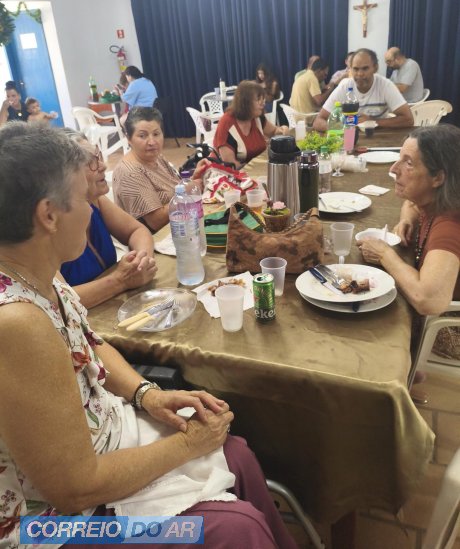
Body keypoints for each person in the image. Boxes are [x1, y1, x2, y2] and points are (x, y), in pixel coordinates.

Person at [0, 121, 297, 549]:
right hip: (51, 525)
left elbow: (90, 344)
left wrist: (147, 395)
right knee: (235, 528)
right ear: (48, 215)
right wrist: (187, 445)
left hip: (108, 440)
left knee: (238, 455)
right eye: (83, 198)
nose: (92, 210)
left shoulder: (40, 270)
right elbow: (74, 489)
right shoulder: (17, 323)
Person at [356, 124, 460, 356]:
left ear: (438, 177)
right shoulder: (438, 200)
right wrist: (407, 220)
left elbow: (428, 300)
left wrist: (384, 254)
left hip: (449, 325)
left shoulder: (449, 226)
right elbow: (410, 204)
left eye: (408, 163)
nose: (394, 169)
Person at [59, 130, 157, 309]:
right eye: (89, 162)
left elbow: (137, 230)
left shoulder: (95, 200)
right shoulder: (49, 226)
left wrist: (141, 263)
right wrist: (120, 281)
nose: (103, 166)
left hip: (117, 306)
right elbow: (58, 300)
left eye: (97, 156)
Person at [113, 107, 210, 233]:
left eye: (156, 134)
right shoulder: (131, 173)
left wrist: (193, 178)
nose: (152, 142)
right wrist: (188, 191)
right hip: (158, 238)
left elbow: (176, 189)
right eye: (142, 136)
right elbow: (156, 222)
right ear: (129, 138)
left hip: (182, 225)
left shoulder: (156, 157)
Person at [314, 48, 414, 131]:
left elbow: (408, 119)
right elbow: (318, 121)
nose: (360, 74)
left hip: (379, 140)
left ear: (375, 68)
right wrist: (340, 128)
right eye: (356, 69)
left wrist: (373, 122)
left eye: (365, 68)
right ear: (350, 69)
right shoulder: (345, 86)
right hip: (348, 140)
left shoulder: (385, 85)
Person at [213, 80, 289, 168]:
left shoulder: (257, 117)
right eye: (258, 100)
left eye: (263, 99)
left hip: (253, 168)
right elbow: (231, 165)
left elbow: (274, 131)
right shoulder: (226, 122)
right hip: (232, 172)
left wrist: (282, 129)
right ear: (245, 102)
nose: (263, 103)